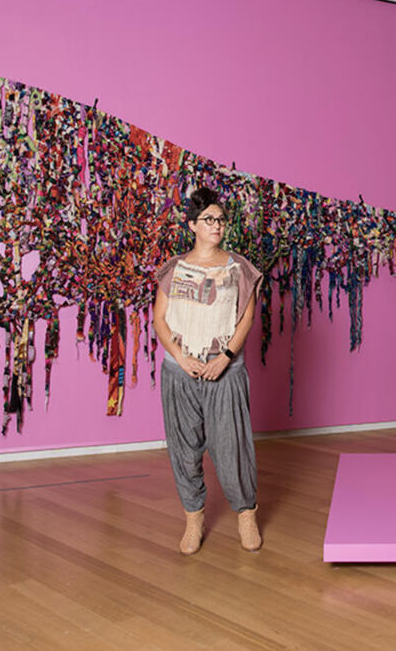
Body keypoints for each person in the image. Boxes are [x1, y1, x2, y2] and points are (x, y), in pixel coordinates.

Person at [153, 187, 263, 555]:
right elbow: (159, 320)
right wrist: (181, 358)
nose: (217, 226)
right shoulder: (175, 269)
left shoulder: (239, 269)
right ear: (192, 225)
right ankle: (193, 519)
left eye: (220, 219)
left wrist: (226, 357)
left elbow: (246, 318)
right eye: (209, 220)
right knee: (184, 450)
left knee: (232, 448)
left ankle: (246, 514)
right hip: (180, 372)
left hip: (224, 372)